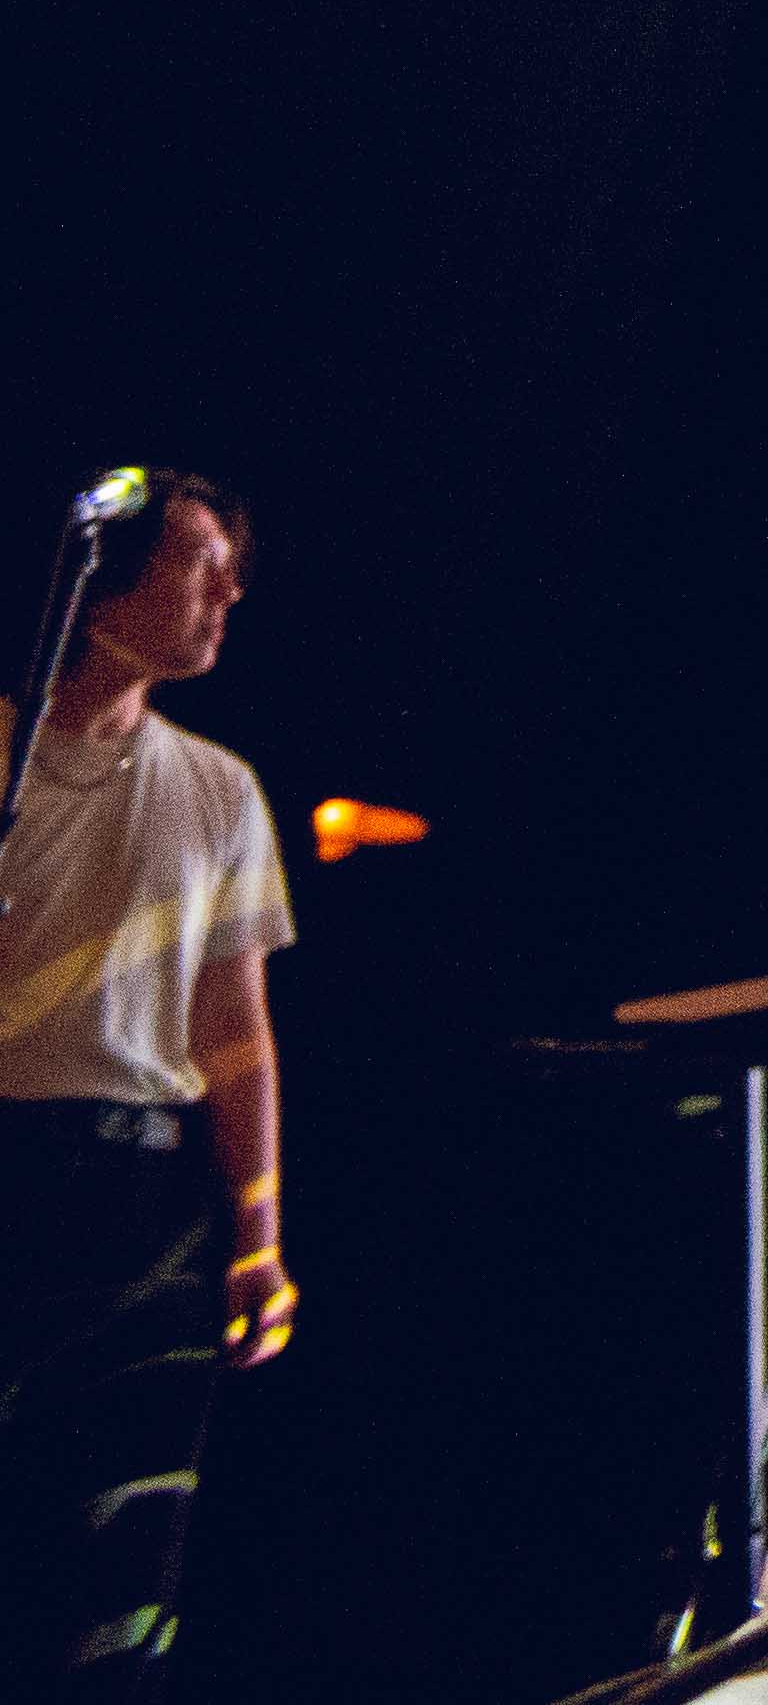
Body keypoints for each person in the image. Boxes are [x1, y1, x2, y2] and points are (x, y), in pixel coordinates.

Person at [1, 477, 293, 1690]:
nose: (229, 592)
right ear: (103, 576)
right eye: (198, 562)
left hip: (140, 1195)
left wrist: (259, 1237)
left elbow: (235, 1031)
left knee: (115, 1545)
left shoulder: (220, 787)